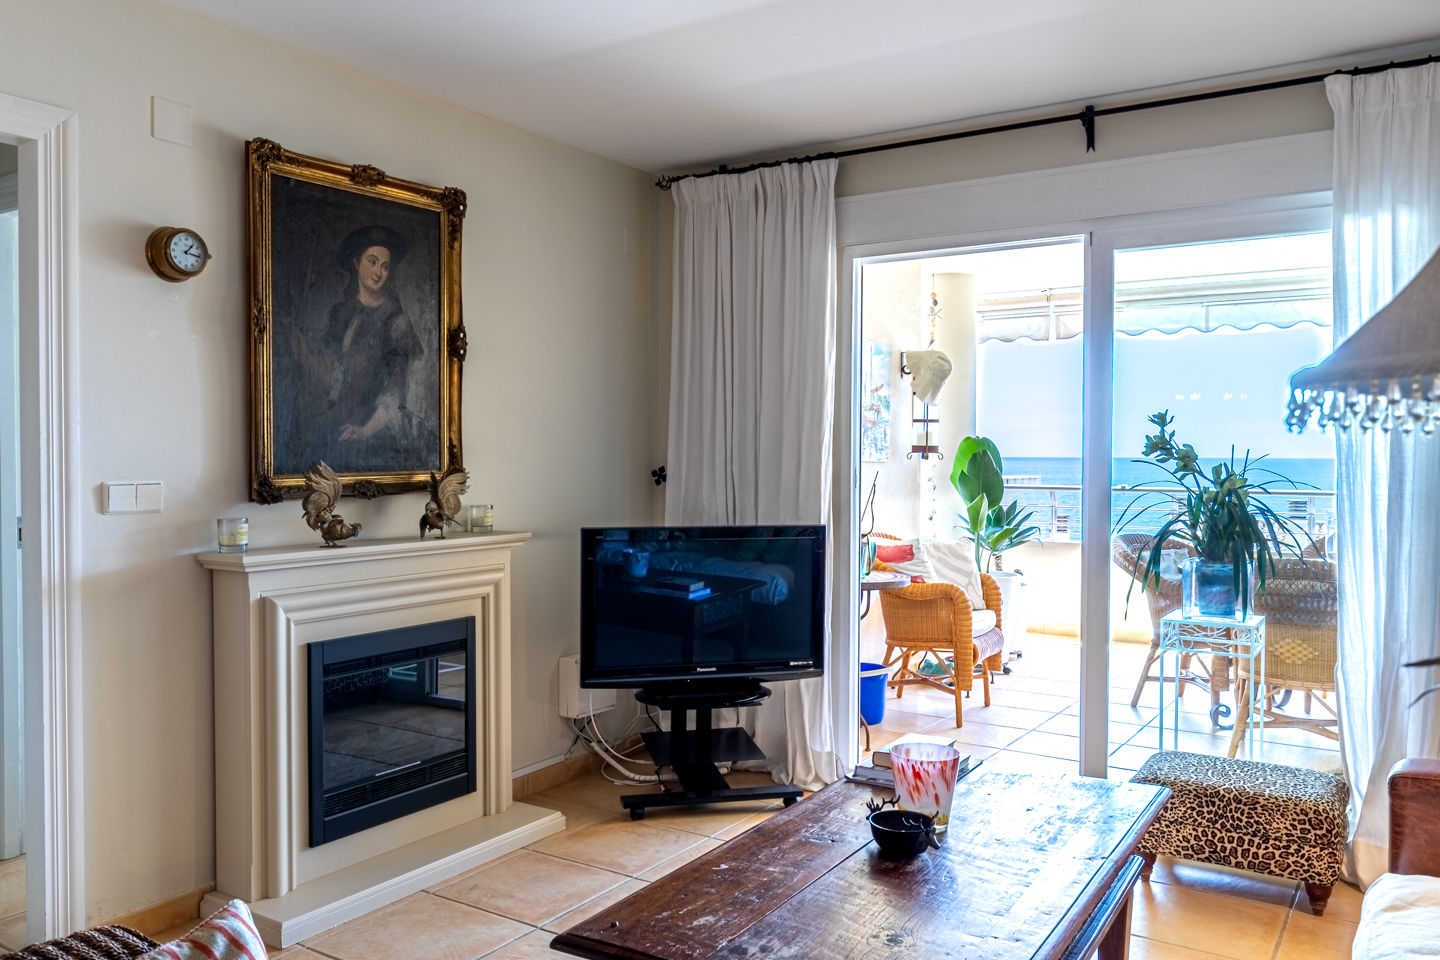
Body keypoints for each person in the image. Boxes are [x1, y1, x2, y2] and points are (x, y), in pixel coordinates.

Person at [286, 224, 428, 473]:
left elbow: (395, 391)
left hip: (375, 424)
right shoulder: (342, 312)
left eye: (385, 266)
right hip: (341, 418)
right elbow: (338, 379)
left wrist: (365, 430)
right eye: (372, 262)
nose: (379, 272)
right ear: (356, 263)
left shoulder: (396, 320)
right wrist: (305, 356)